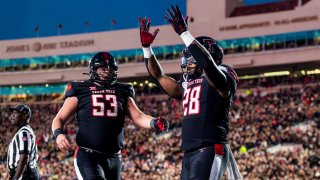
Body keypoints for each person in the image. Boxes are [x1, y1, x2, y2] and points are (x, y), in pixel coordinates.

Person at [139, 5, 242, 180]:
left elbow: (209, 66)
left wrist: (185, 34)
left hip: (210, 147)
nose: (188, 60)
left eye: (192, 56)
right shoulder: (187, 82)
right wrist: (147, 48)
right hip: (189, 151)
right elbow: (158, 76)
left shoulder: (223, 73)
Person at [51, 52, 169, 180]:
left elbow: (138, 117)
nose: (107, 72)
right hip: (88, 155)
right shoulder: (80, 89)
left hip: (114, 158)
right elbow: (59, 119)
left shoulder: (122, 90)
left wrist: (154, 122)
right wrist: (58, 134)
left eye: (110, 69)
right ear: (93, 69)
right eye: (102, 68)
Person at [7, 105, 40, 180]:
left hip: (25, 175)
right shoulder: (24, 131)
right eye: (12, 114)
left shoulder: (24, 132)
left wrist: (16, 178)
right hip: (25, 174)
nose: (11, 116)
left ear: (24, 116)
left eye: (15, 113)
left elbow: (24, 157)